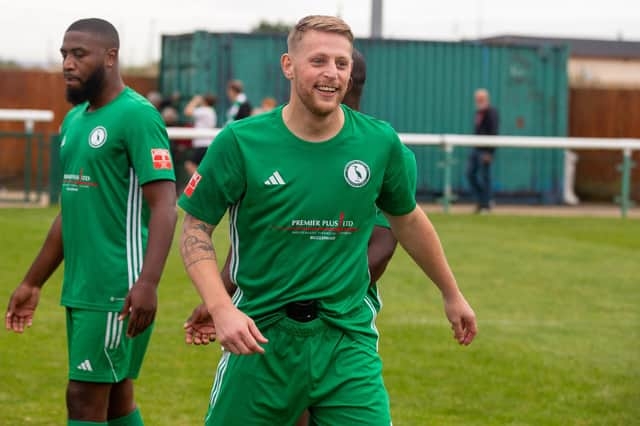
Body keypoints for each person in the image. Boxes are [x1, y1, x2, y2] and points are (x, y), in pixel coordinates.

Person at [178, 15, 476, 426]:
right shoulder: (241, 142)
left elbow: (407, 219)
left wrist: (451, 292)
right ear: (288, 65)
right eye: (318, 61)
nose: (331, 74)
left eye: (341, 63)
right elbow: (195, 227)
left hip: (345, 339)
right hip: (261, 338)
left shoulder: (379, 142)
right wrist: (221, 306)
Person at [5, 18, 177, 426]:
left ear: (111, 57)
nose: (68, 62)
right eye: (65, 54)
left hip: (116, 287)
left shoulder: (137, 116)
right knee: (115, 397)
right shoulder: (75, 121)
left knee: (83, 398)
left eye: (79, 54)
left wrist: (148, 282)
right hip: (82, 287)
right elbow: (71, 211)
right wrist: (33, 282)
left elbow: (165, 204)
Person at [467, 88, 499, 213]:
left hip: (485, 150)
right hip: (476, 148)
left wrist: (490, 152)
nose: (478, 101)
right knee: (470, 174)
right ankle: (482, 200)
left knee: (485, 177)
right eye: (477, 99)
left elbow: (494, 132)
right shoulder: (479, 113)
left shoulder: (492, 112)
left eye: (480, 99)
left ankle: (486, 203)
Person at [183, 94, 217, 177]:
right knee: (201, 167)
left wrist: (195, 101)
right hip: (206, 144)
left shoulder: (204, 110)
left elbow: (187, 111)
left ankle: (200, 183)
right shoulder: (211, 111)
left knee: (189, 165)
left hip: (202, 144)